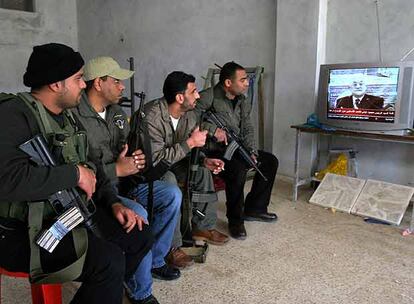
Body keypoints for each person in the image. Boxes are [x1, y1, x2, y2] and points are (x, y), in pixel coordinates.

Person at [0, 43, 154, 304]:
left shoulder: (68, 118)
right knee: (108, 261)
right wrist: (73, 174)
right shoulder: (13, 115)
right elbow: (7, 180)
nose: (84, 85)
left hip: (68, 213)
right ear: (55, 84)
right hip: (21, 231)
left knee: (139, 235)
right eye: (79, 79)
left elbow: (93, 171)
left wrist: (114, 204)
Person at [72, 57, 182, 303]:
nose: (123, 87)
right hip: (100, 193)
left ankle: (156, 259)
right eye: (117, 81)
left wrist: (136, 157)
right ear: (98, 83)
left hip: (128, 185)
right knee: (138, 214)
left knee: (172, 194)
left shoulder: (117, 113)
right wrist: (117, 170)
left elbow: (125, 148)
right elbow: (81, 169)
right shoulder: (75, 117)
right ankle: (140, 290)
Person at [144, 71, 229, 252]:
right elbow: (157, 161)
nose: (198, 95)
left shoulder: (189, 114)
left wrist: (205, 160)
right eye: (194, 91)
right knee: (170, 182)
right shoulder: (151, 116)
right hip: (152, 169)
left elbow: (192, 151)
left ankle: (202, 226)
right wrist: (190, 143)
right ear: (180, 97)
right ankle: (172, 247)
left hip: (176, 162)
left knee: (202, 171)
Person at [197, 61, 279, 240]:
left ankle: (255, 208)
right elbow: (188, 120)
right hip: (213, 151)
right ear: (228, 83)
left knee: (269, 161)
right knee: (237, 170)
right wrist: (212, 130)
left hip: (236, 147)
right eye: (243, 80)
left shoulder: (242, 100)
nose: (247, 83)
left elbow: (248, 127)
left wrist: (251, 151)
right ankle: (235, 221)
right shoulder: (207, 97)